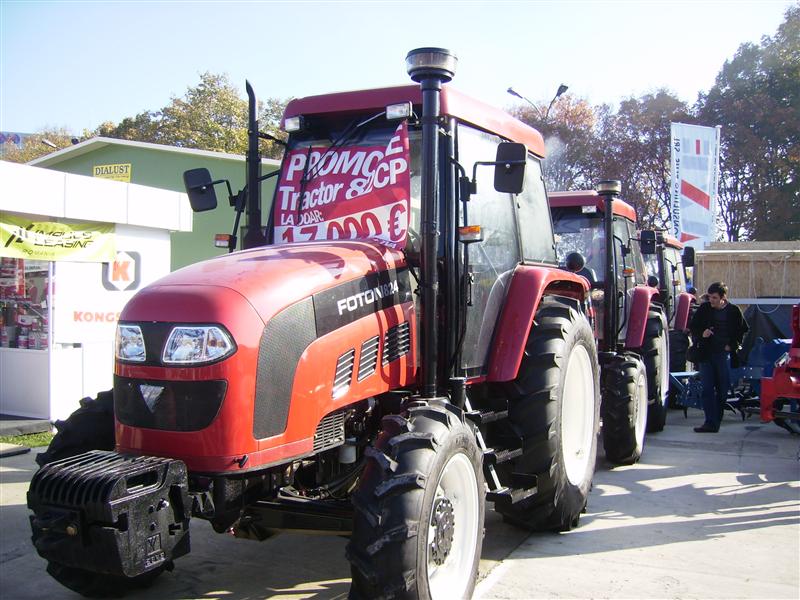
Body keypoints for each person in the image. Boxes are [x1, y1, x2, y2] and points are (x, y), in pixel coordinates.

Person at [688, 282, 749, 432]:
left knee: (723, 389)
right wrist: (702, 334)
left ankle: (716, 419)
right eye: (709, 297)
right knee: (707, 389)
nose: (711, 301)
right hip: (706, 354)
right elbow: (693, 326)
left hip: (723, 355)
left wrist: (733, 345)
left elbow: (743, 329)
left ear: (723, 297)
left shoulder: (733, 311)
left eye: (715, 298)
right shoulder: (704, 309)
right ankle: (710, 422)